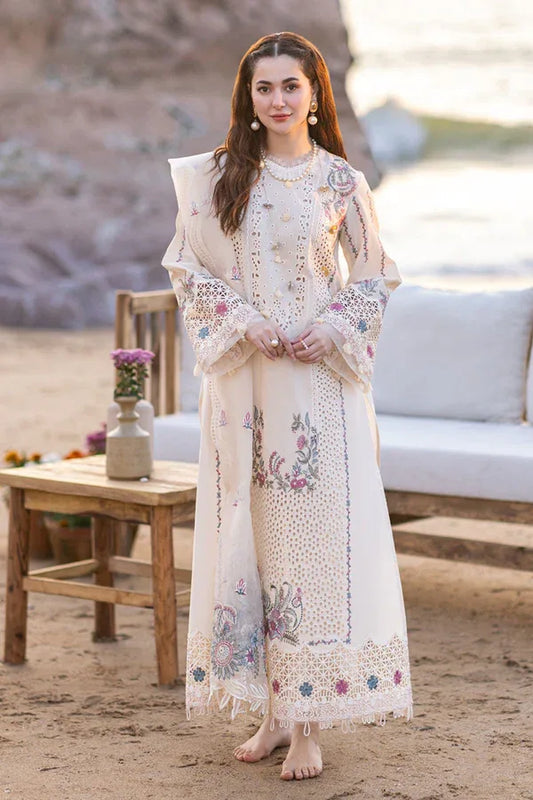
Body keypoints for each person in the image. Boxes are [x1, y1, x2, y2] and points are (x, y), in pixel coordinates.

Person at [161, 31, 413, 782]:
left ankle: (306, 724)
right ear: (247, 97)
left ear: (314, 94)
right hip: (243, 386)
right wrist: (244, 320)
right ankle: (271, 713)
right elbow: (184, 265)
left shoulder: (340, 183)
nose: (276, 100)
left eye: (289, 87)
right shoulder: (216, 179)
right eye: (262, 88)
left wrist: (328, 326)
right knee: (251, 545)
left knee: (308, 555)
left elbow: (374, 278)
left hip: (319, 394)